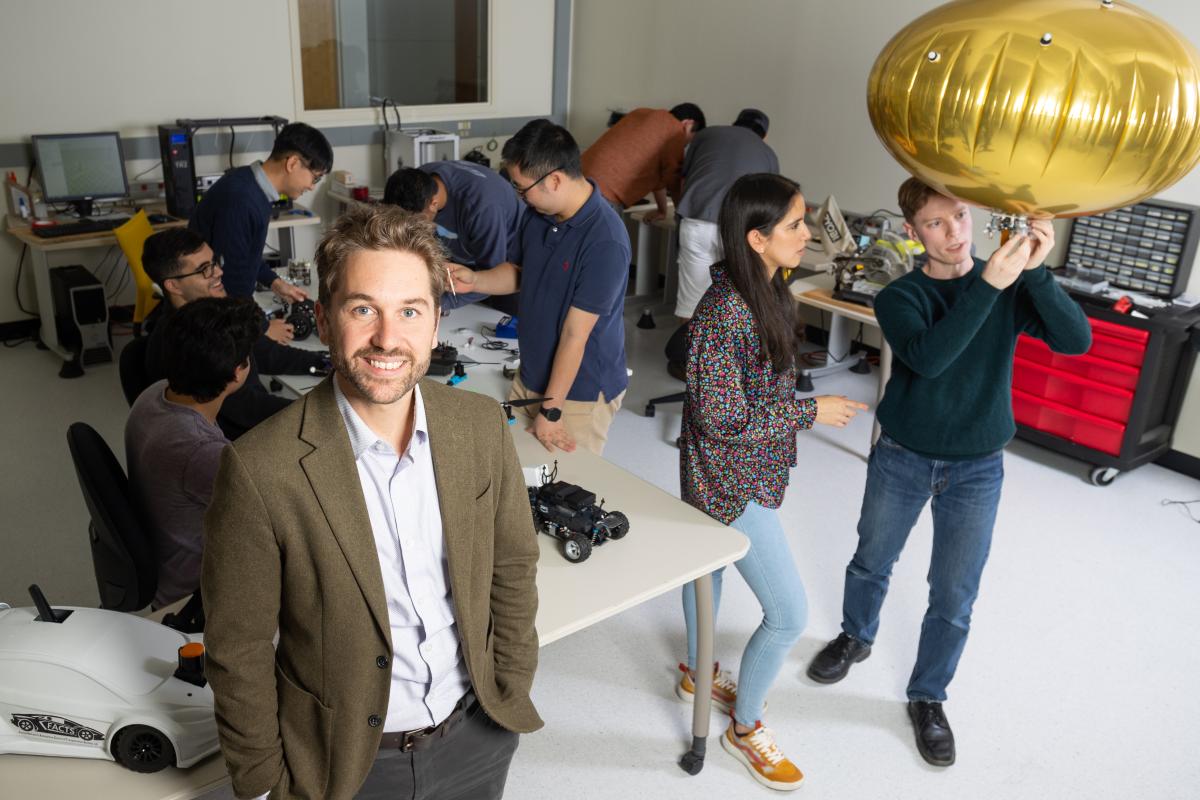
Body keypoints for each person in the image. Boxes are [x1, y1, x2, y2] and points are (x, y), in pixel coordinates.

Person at [202, 205, 542, 800]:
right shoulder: (259, 470)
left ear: (436, 323)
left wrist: (510, 684)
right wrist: (260, 784)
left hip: (478, 732)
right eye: (363, 309)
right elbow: (238, 646)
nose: (388, 338)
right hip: (348, 762)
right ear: (326, 321)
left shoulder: (481, 424)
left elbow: (512, 565)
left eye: (410, 311)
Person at [806, 177, 1091, 767]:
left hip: (978, 467)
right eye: (937, 224)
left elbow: (1076, 340)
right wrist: (989, 284)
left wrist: (1035, 270)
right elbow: (932, 361)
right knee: (871, 560)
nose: (955, 233)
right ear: (914, 234)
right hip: (903, 455)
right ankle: (856, 635)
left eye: (960, 217)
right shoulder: (900, 296)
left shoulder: (1007, 285)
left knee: (955, 595)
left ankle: (929, 696)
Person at [678, 173, 868, 791]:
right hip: (726, 481)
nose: (806, 233)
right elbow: (721, 420)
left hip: (739, 473)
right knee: (787, 615)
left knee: (704, 575)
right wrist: (812, 412)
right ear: (756, 238)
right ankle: (744, 727)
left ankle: (697, 672)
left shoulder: (766, 286)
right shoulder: (725, 313)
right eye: (794, 225)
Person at [450, 119, 631, 456]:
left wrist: (551, 411)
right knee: (515, 471)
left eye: (522, 188)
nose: (519, 196)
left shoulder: (604, 240)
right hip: (532, 374)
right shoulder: (538, 214)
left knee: (566, 489)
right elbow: (520, 272)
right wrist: (475, 280)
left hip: (578, 391)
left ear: (555, 179)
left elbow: (576, 336)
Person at [125, 296, 259, 608]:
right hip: (193, 594)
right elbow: (274, 519)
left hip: (167, 554)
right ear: (238, 372)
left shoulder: (154, 394)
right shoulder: (202, 451)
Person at [141, 228, 327, 440]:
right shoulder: (185, 343)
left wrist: (323, 363)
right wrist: (316, 413)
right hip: (242, 442)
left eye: (214, 262)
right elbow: (243, 407)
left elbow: (265, 352)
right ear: (173, 285)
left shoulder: (213, 315)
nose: (218, 272)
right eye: (204, 270)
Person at [190, 121, 332, 301]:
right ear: (293, 163)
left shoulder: (250, 183)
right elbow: (232, 277)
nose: (312, 187)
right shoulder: (241, 199)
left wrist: (274, 282)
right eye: (315, 178)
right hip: (211, 310)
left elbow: (246, 255)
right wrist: (262, 326)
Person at [674, 108, 779, 321]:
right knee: (730, 304)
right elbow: (768, 205)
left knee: (691, 305)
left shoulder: (706, 135)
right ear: (764, 135)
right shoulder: (769, 154)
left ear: (734, 123)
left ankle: (687, 353)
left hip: (697, 222)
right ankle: (721, 354)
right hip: (737, 231)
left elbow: (684, 177)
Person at [383, 160, 524, 311]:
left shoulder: (482, 207)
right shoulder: (417, 182)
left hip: (510, 263)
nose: (413, 228)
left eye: (417, 222)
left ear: (433, 203)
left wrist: (437, 306)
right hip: (466, 256)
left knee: (496, 317)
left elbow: (490, 277)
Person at [581, 103, 706, 221]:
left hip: (576, 179)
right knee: (604, 243)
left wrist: (661, 210)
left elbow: (660, 182)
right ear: (688, 124)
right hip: (603, 196)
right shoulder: (676, 132)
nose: (685, 145)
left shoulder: (641, 113)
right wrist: (682, 217)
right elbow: (673, 181)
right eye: (690, 140)